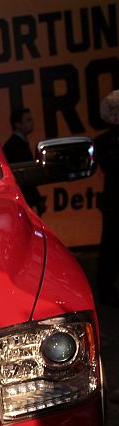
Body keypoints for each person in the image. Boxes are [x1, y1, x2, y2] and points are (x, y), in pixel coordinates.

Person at [95, 90, 119, 308]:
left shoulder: (103, 142)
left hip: (112, 199)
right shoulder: (103, 143)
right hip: (113, 200)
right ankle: (105, 288)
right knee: (110, 246)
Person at [3, 107, 45, 215]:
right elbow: (26, 176)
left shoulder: (18, 144)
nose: (32, 123)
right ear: (18, 124)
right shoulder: (16, 146)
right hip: (23, 199)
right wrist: (36, 199)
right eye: (28, 120)